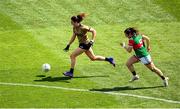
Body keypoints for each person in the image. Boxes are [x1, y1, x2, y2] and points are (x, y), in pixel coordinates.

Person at [63, 13, 115, 78]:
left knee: (72, 55)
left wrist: (92, 40)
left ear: (76, 22)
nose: (71, 23)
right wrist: (68, 45)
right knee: (93, 58)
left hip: (85, 44)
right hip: (82, 44)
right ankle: (109, 59)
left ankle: (71, 72)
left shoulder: (83, 27)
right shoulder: (74, 27)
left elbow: (94, 31)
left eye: (72, 22)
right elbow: (73, 36)